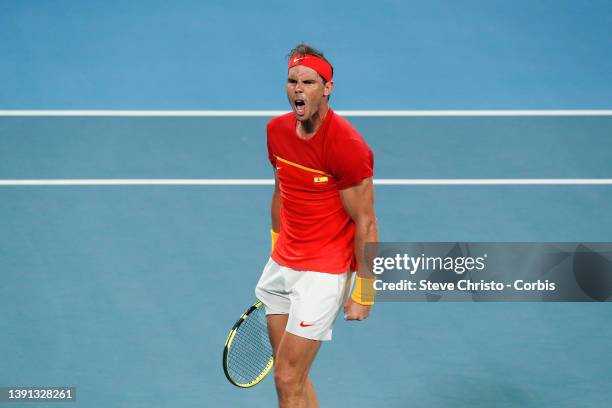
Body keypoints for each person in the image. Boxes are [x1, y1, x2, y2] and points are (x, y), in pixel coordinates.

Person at [255, 43, 378, 408]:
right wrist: (276, 244)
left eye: (308, 82)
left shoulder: (347, 146)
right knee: (291, 376)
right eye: (292, 81)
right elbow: (282, 191)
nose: (297, 88)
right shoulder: (276, 131)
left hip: (323, 273)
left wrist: (365, 292)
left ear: (327, 88)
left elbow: (366, 223)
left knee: (286, 378)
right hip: (282, 265)